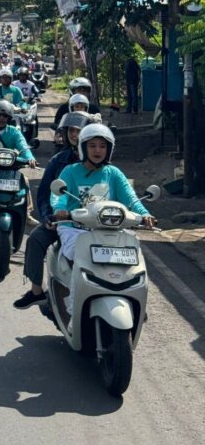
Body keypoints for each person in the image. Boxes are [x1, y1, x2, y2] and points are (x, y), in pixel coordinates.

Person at [51, 124, 155, 327]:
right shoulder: (70, 171)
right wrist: (60, 209)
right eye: (92, 146)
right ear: (83, 148)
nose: (98, 150)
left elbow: (131, 199)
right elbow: (58, 197)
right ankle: (73, 308)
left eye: (102, 146)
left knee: (133, 252)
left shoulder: (113, 173)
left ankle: (137, 299)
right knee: (76, 254)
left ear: (109, 149)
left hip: (111, 228)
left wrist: (144, 214)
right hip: (75, 227)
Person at [13, 112, 89, 309]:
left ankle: (129, 294)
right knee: (35, 239)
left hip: (95, 222)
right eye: (71, 131)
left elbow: (120, 194)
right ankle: (36, 291)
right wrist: (48, 217)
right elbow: (45, 193)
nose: (75, 135)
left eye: (79, 131)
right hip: (64, 220)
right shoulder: (59, 160)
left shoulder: (106, 166)